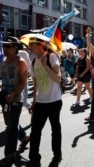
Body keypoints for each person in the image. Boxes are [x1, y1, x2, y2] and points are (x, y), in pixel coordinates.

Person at [27, 35, 63, 167]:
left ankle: (57, 155)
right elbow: (35, 84)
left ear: (39, 45)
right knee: (35, 131)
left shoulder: (51, 57)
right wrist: (34, 102)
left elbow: (58, 78)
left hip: (54, 101)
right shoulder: (33, 62)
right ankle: (34, 158)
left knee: (55, 129)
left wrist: (45, 66)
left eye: (31, 45)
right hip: (41, 102)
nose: (29, 47)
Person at [0, 37, 28, 166]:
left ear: (15, 48)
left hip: (15, 99)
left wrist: (13, 93)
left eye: (8, 46)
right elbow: (3, 79)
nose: (5, 49)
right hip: (4, 98)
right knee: (8, 122)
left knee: (11, 128)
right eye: (4, 46)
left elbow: (24, 81)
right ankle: (24, 136)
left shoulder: (21, 62)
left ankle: (10, 154)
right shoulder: (3, 61)